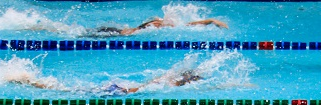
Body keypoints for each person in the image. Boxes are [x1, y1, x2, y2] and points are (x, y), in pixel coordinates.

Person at [7, 68, 204, 95]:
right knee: (66, 91)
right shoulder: (167, 85)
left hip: (118, 89)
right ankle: (29, 81)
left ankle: (30, 81)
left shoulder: (164, 80)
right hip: (118, 93)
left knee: (68, 90)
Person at [83, 16, 229, 37]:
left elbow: (188, 24)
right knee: (83, 34)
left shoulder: (161, 24)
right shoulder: (156, 25)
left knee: (84, 33)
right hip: (114, 34)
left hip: (117, 32)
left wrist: (211, 21)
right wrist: (210, 21)